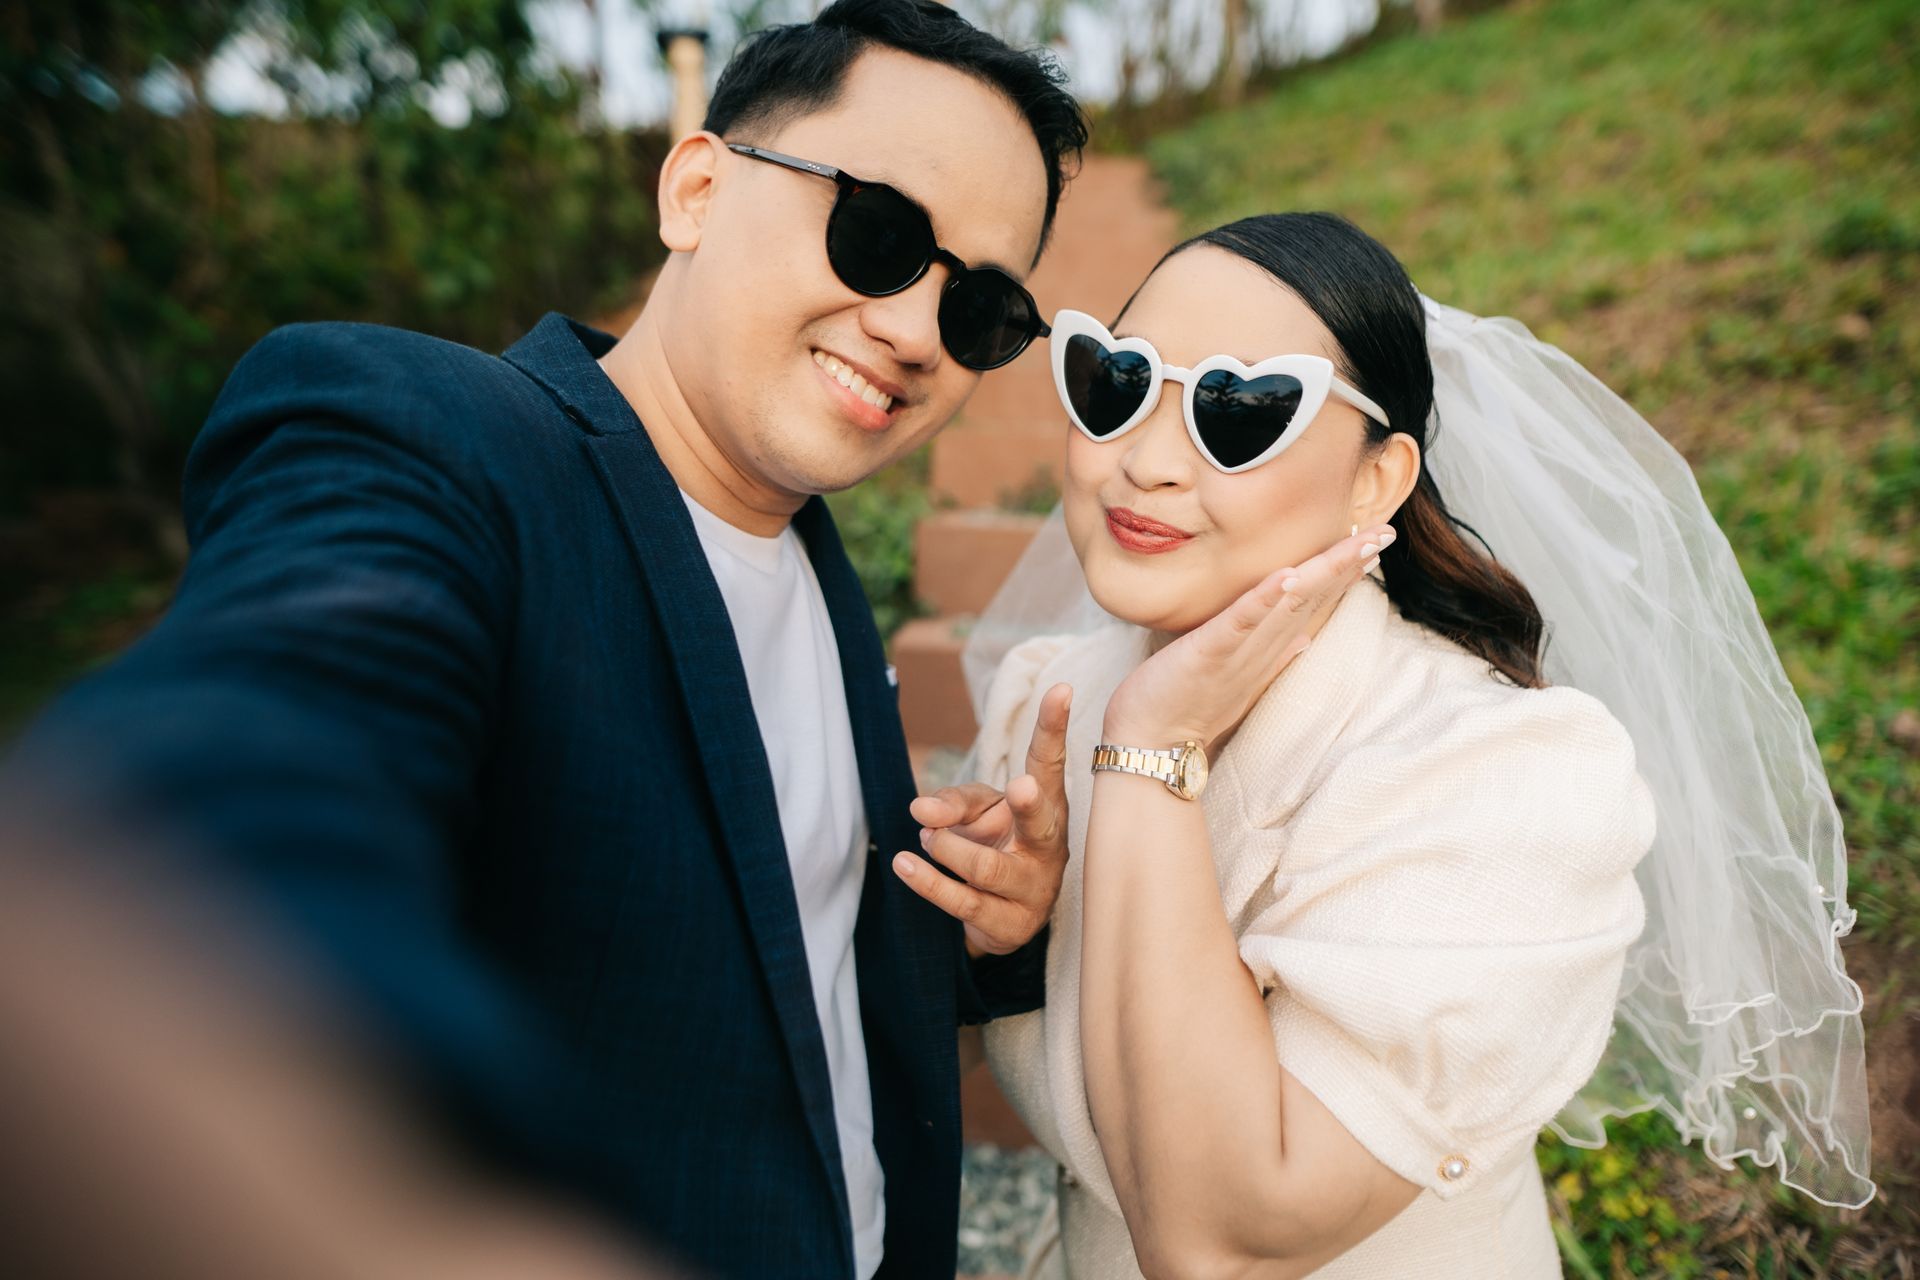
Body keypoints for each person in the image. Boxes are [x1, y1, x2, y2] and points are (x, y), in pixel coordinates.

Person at [5, 1, 1089, 1275]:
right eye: (880, 233)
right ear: (695, 190)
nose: (914, 334)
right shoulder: (435, 445)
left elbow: (746, 953)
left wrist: (977, 936)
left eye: (980, 311)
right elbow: (228, 813)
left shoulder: (809, 554)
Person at [897, 212, 1876, 1276]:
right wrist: (1013, 944)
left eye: (1239, 408)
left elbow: (1219, 1241)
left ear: (1377, 479)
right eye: (1118, 381)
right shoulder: (1052, 698)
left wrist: (1151, 754)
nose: (1147, 460)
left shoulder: (1505, 780)